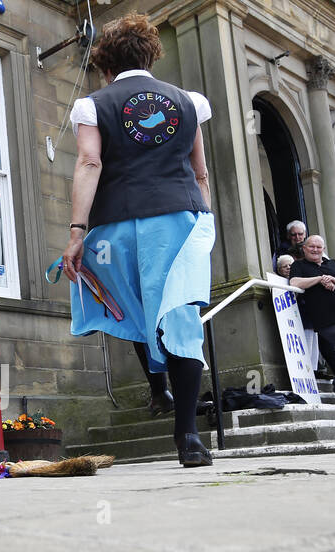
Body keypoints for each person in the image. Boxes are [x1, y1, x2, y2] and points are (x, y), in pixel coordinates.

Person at [62, 13, 215, 467]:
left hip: (116, 226)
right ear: (150, 56)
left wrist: (76, 232)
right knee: (181, 318)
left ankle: (157, 389)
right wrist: (201, 222)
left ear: (106, 65)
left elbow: (90, 164)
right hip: (178, 220)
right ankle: (188, 436)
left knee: (132, 306)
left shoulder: (92, 105)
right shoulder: (189, 103)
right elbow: (201, 174)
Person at [288, 235, 335, 403]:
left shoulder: (333, 263)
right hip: (325, 320)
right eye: (311, 246)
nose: (315, 249)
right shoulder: (299, 265)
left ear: (323, 249)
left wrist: (334, 279)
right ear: (304, 248)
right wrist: (320, 279)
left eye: (318, 247)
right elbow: (294, 283)